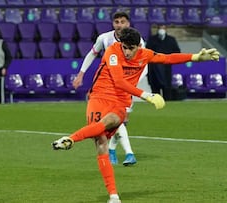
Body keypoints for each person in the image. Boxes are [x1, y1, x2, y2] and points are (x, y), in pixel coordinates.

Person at [52, 27, 220, 203]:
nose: (127, 51)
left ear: (138, 46)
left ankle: (71, 139)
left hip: (120, 101)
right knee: (100, 141)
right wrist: (147, 95)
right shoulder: (113, 52)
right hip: (99, 97)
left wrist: (195, 57)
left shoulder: (144, 54)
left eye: (130, 48)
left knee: (112, 121)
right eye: (124, 47)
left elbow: (167, 58)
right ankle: (114, 196)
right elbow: (119, 81)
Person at [73, 11, 143, 166]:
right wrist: (81, 74)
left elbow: (144, 63)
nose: (120, 25)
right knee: (117, 121)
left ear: (128, 23)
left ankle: (112, 150)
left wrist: (134, 83)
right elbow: (92, 54)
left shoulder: (137, 41)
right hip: (108, 88)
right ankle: (129, 153)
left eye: (123, 22)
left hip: (127, 86)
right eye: (117, 22)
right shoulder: (105, 38)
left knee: (120, 121)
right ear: (113, 24)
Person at [146, 25, 181, 101]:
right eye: (160, 28)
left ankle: (168, 104)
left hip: (166, 68)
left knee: (167, 89)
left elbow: (177, 52)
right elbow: (147, 52)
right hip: (154, 68)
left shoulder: (171, 40)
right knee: (155, 89)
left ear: (166, 29)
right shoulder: (152, 40)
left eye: (163, 28)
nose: (162, 30)